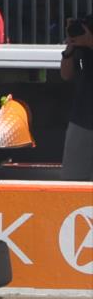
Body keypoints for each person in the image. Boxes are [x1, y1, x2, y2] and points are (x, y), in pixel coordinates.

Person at [59, 13, 93, 180]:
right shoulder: (82, 40)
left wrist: (89, 42)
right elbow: (66, 75)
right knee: (74, 178)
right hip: (82, 118)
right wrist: (70, 48)